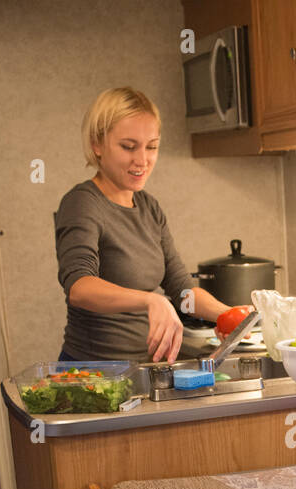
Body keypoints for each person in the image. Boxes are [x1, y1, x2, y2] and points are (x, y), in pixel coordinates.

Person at [54, 87, 244, 364]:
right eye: (128, 147)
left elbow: (181, 289)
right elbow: (79, 288)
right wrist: (151, 300)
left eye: (151, 146)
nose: (142, 160)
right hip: (95, 372)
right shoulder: (82, 203)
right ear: (97, 144)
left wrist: (230, 315)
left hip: (144, 368)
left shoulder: (149, 207)